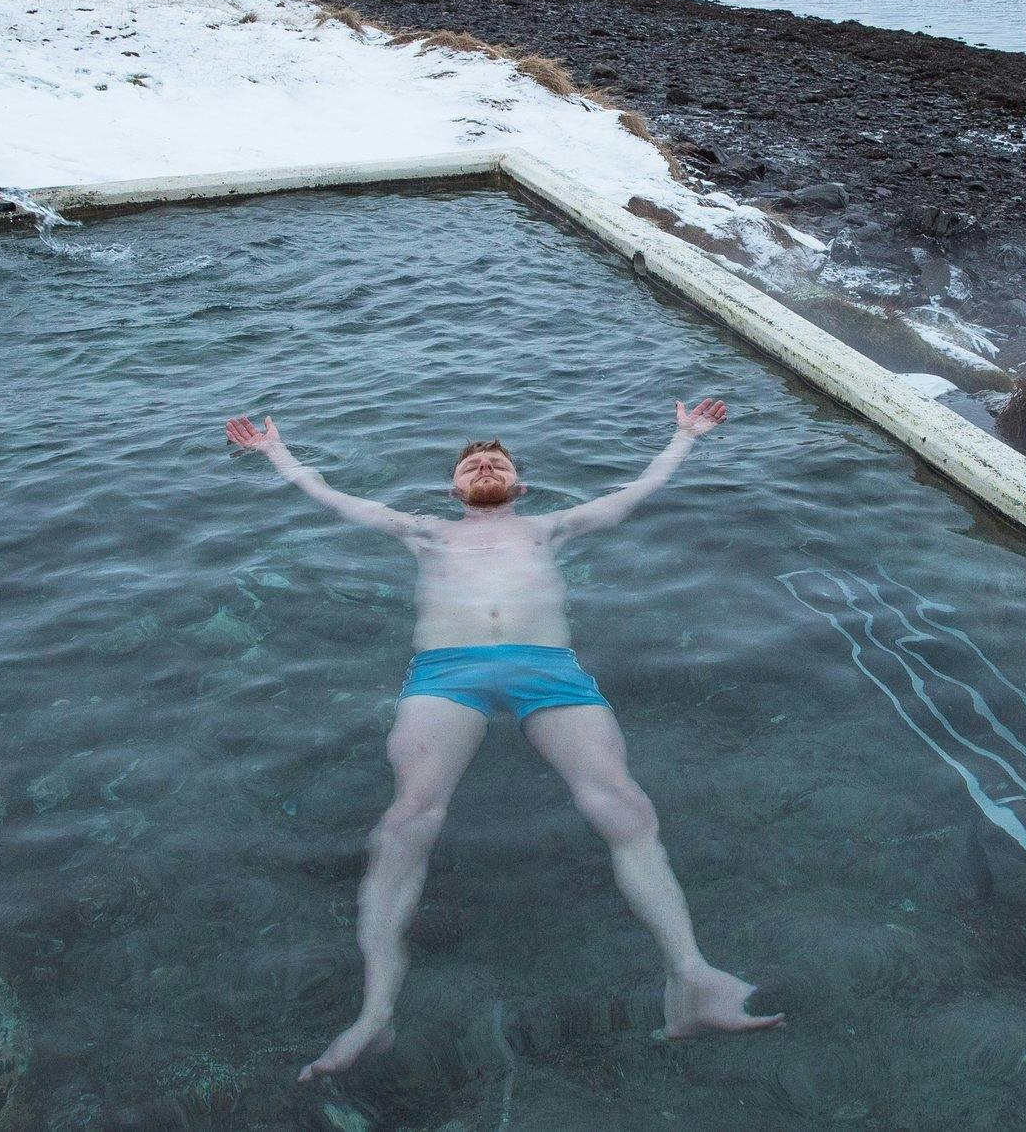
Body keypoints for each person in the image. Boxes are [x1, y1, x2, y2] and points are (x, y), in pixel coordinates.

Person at [224, 401, 783, 1082]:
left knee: (624, 804)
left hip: (550, 670)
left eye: (498, 461)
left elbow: (636, 491)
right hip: (446, 672)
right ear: (454, 489)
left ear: (520, 486)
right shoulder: (424, 530)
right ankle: (376, 1011)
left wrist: (682, 438)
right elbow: (334, 496)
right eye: (471, 463)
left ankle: (691, 977)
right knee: (407, 819)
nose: (485, 464)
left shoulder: (549, 528)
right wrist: (278, 453)